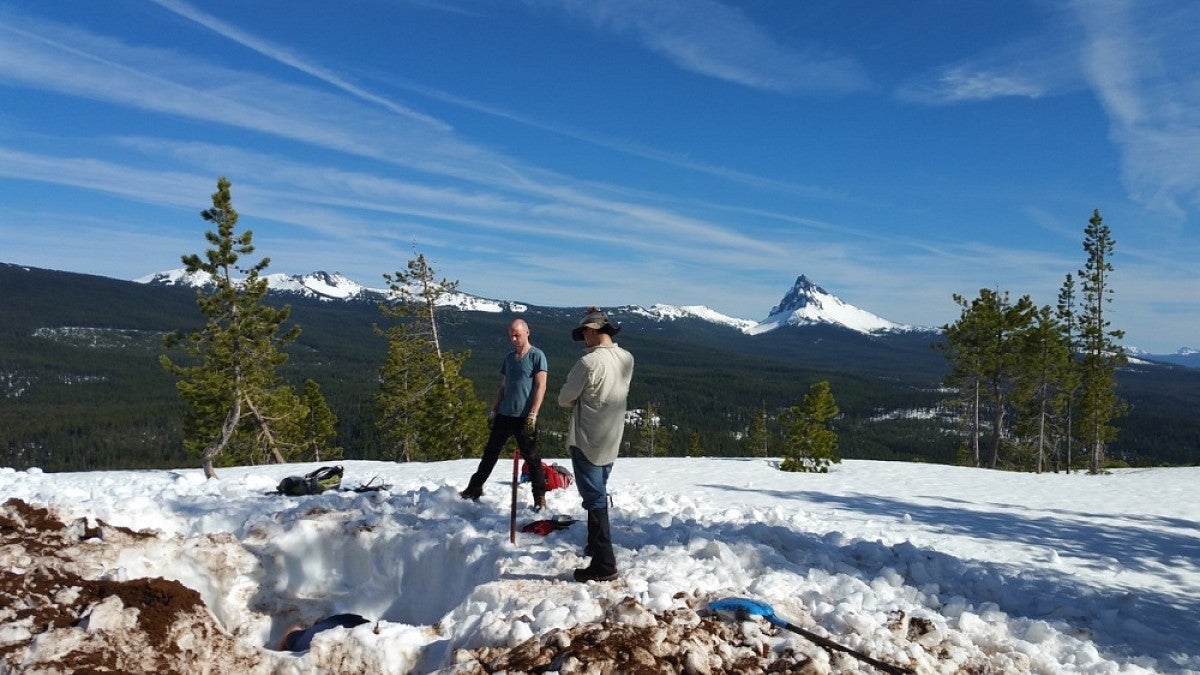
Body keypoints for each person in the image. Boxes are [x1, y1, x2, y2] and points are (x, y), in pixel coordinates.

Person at [557, 307, 634, 582]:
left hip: (587, 439)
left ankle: (604, 562)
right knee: (599, 491)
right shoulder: (627, 358)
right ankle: (593, 544)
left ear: (591, 332)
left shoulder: (587, 364)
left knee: (594, 499)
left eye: (584, 334)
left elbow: (564, 399)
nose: (584, 339)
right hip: (612, 437)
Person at [460, 318, 549, 509]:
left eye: (517, 334)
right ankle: (475, 487)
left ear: (527, 332)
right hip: (504, 415)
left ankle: (539, 496)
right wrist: (494, 410)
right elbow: (503, 386)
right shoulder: (509, 358)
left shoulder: (537, 356)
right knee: (490, 453)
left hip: (525, 417)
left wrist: (533, 414)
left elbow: (541, 386)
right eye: (511, 335)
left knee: (532, 458)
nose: (514, 338)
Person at [276, 613, 371, 652]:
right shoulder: (299, 643)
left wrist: (280, 653)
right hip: (358, 625)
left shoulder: (299, 644)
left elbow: (292, 629)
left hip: (356, 625)